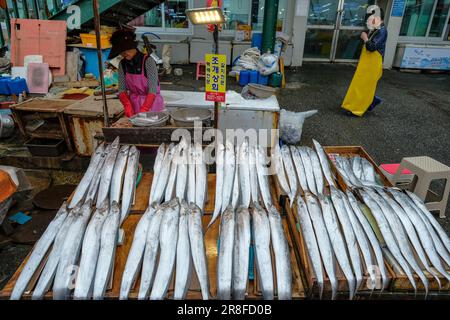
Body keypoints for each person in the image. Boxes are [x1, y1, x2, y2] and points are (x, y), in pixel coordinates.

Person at [341, 5, 387, 116]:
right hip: (368, 64)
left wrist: (365, 38)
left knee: (364, 86)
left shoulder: (382, 31)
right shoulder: (376, 29)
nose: (369, 21)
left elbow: (372, 47)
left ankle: (357, 109)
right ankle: (368, 103)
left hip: (373, 64)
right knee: (362, 85)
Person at [108, 29, 164, 117]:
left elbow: (152, 90)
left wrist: (145, 108)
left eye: (126, 51)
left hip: (152, 104)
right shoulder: (122, 64)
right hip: (134, 103)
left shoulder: (148, 61)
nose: (124, 54)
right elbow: (122, 89)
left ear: (132, 46)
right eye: (121, 52)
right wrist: (127, 105)